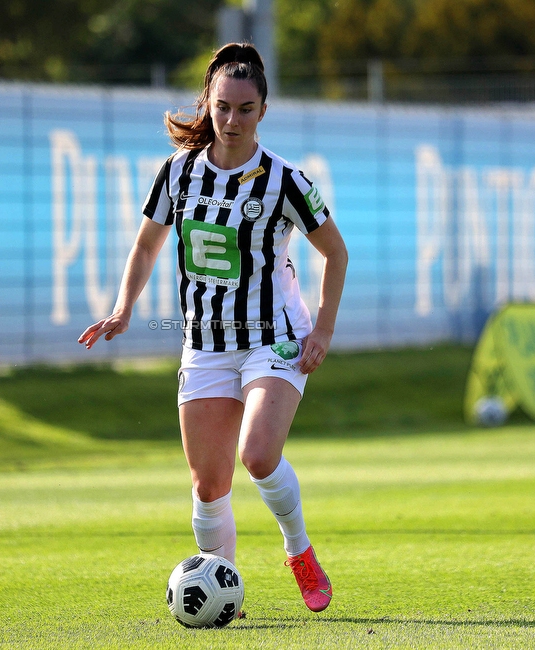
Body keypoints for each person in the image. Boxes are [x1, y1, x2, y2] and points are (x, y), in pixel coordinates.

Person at [79, 43, 348, 614]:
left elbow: (336, 253)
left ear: (263, 111)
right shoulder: (177, 172)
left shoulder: (286, 181)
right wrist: (125, 307)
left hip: (274, 337)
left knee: (257, 454)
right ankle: (225, 592)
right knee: (208, 485)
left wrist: (322, 330)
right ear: (208, 102)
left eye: (246, 109)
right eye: (223, 107)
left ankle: (298, 551)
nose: (232, 120)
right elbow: (148, 242)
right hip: (204, 342)